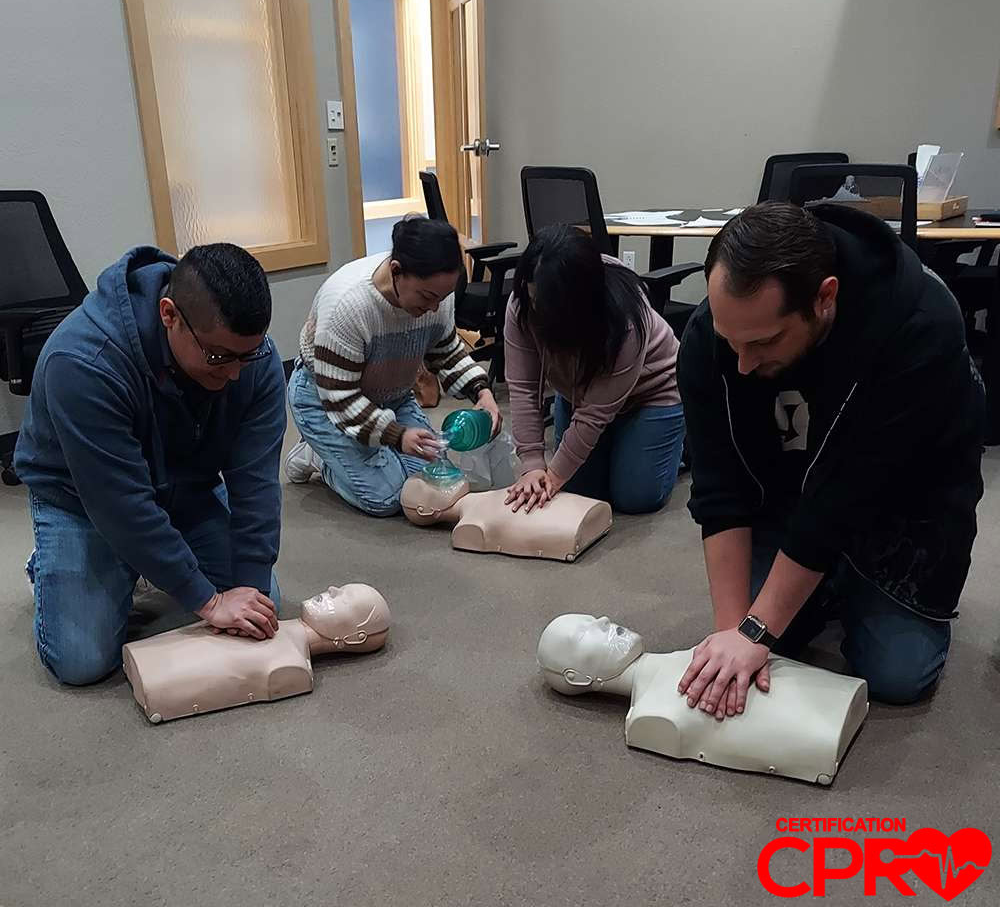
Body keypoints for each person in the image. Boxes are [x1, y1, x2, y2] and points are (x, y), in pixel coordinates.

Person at [677, 201, 985, 713]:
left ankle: (849, 592)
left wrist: (758, 629)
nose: (743, 364)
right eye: (730, 342)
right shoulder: (715, 335)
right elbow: (718, 487)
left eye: (763, 342)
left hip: (906, 511)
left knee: (897, 675)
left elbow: (845, 494)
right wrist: (735, 632)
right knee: (763, 638)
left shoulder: (920, 324)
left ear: (825, 298)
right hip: (790, 497)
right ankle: (820, 589)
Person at [15, 244, 287, 686]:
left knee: (262, 603)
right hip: (82, 499)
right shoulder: (84, 362)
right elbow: (120, 502)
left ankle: (138, 561)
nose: (235, 373)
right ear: (169, 315)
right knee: (82, 662)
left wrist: (250, 588)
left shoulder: (254, 358)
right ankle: (48, 561)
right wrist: (209, 602)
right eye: (219, 357)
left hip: (187, 486)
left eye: (246, 356)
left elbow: (255, 483)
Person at [285, 215, 501, 516]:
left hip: (393, 396)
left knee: (434, 483)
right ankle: (317, 457)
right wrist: (397, 436)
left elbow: (447, 351)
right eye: (428, 297)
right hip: (325, 402)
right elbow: (341, 399)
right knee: (385, 498)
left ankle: (365, 447)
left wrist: (483, 393)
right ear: (396, 271)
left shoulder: (435, 297)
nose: (435, 308)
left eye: (444, 297)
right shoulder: (348, 306)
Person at [503, 225, 685, 515]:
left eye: (547, 307)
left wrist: (552, 477)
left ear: (579, 303)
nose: (537, 311)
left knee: (634, 498)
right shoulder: (523, 303)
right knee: (582, 492)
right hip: (580, 393)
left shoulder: (625, 318)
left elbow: (593, 416)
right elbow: (524, 388)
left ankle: (679, 445)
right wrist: (532, 465)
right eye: (533, 299)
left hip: (652, 394)